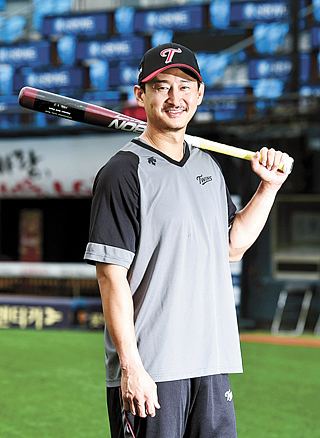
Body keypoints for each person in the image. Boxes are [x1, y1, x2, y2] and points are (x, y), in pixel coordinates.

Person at [84, 43, 292, 437]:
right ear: (140, 95)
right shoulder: (122, 173)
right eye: (161, 87)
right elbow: (111, 278)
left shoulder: (209, 169)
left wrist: (268, 189)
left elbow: (231, 247)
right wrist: (132, 367)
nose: (174, 98)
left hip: (211, 364)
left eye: (184, 86)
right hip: (154, 369)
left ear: (199, 94)